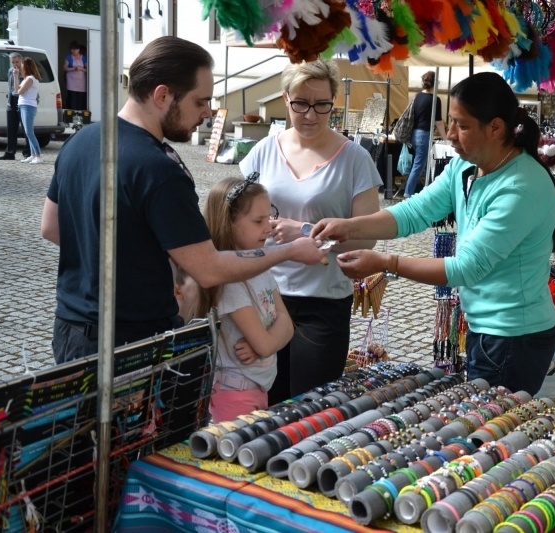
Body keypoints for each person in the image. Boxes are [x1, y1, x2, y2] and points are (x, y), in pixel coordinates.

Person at [40, 36, 325, 365]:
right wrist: (287, 251)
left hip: (71, 333)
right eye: (200, 102)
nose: (207, 112)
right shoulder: (159, 169)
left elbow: (51, 226)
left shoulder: (81, 140)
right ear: (162, 95)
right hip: (131, 343)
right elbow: (209, 269)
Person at [314, 72, 555, 396]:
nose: (449, 135)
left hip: (515, 337)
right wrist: (350, 226)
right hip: (487, 329)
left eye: (462, 125)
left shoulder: (521, 187)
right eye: (451, 123)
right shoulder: (466, 166)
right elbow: (416, 211)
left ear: (495, 128)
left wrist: (384, 262)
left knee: (489, 432)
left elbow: (464, 268)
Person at [238, 59, 382, 403]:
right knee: (263, 405)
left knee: (308, 407)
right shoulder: (263, 151)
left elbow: (367, 236)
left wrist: (305, 232)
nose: (311, 115)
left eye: (322, 105)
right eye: (300, 103)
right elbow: (237, 220)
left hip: (322, 302)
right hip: (264, 297)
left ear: (335, 102)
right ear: (285, 99)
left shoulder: (355, 159)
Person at [194, 177, 293, 421]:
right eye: (258, 221)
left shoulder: (261, 268)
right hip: (234, 394)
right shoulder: (231, 281)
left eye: (269, 217)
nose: (268, 227)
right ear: (228, 224)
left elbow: (288, 325)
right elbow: (266, 344)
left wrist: (265, 341)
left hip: (256, 388)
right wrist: (266, 342)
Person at [404, 71, 447, 199]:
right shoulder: (435, 99)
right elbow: (439, 123)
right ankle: (408, 193)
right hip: (424, 135)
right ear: (436, 83)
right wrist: (446, 138)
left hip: (414, 133)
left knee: (418, 165)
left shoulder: (417, 96)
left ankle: (419, 190)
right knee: (419, 165)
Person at [0, 52, 31, 161]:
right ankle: (10, 152)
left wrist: (19, 75)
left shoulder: (26, 72)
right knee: (11, 128)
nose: (15, 64)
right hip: (11, 101)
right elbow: (10, 86)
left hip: (22, 100)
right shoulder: (10, 71)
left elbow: (23, 87)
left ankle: (28, 153)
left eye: (17, 62)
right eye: (13, 62)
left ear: (21, 61)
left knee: (26, 129)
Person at [15, 57, 43, 164]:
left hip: (28, 106)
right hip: (23, 105)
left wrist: (18, 78)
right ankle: (32, 154)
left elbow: (20, 92)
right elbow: (16, 89)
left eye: (22, 64)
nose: (20, 66)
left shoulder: (31, 78)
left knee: (29, 132)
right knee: (28, 132)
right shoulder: (27, 78)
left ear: (25, 66)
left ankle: (38, 155)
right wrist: (16, 76)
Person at [63, 41, 87, 111]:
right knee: (72, 99)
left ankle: (80, 114)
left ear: (78, 49)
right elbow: (64, 68)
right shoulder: (68, 57)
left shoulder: (84, 58)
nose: (72, 51)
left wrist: (81, 69)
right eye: (71, 49)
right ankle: (72, 115)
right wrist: (73, 68)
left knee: (80, 100)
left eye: (73, 49)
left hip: (81, 83)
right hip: (71, 82)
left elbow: (88, 70)